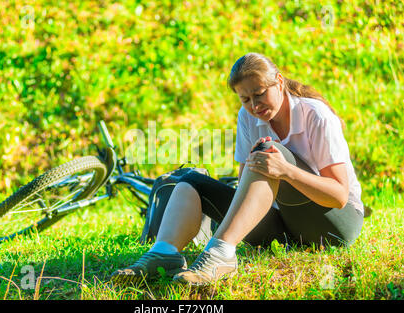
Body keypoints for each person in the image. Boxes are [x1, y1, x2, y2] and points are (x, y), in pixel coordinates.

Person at [110, 52, 364, 286]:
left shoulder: (316, 115)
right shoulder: (248, 117)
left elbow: (339, 196)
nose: (254, 106)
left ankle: (220, 255)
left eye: (260, 93)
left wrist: (286, 171)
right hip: (282, 231)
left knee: (268, 152)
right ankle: (164, 253)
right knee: (191, 180)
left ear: (278, 81)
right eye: (245, 99)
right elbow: (246, 187)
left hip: (331, 228)